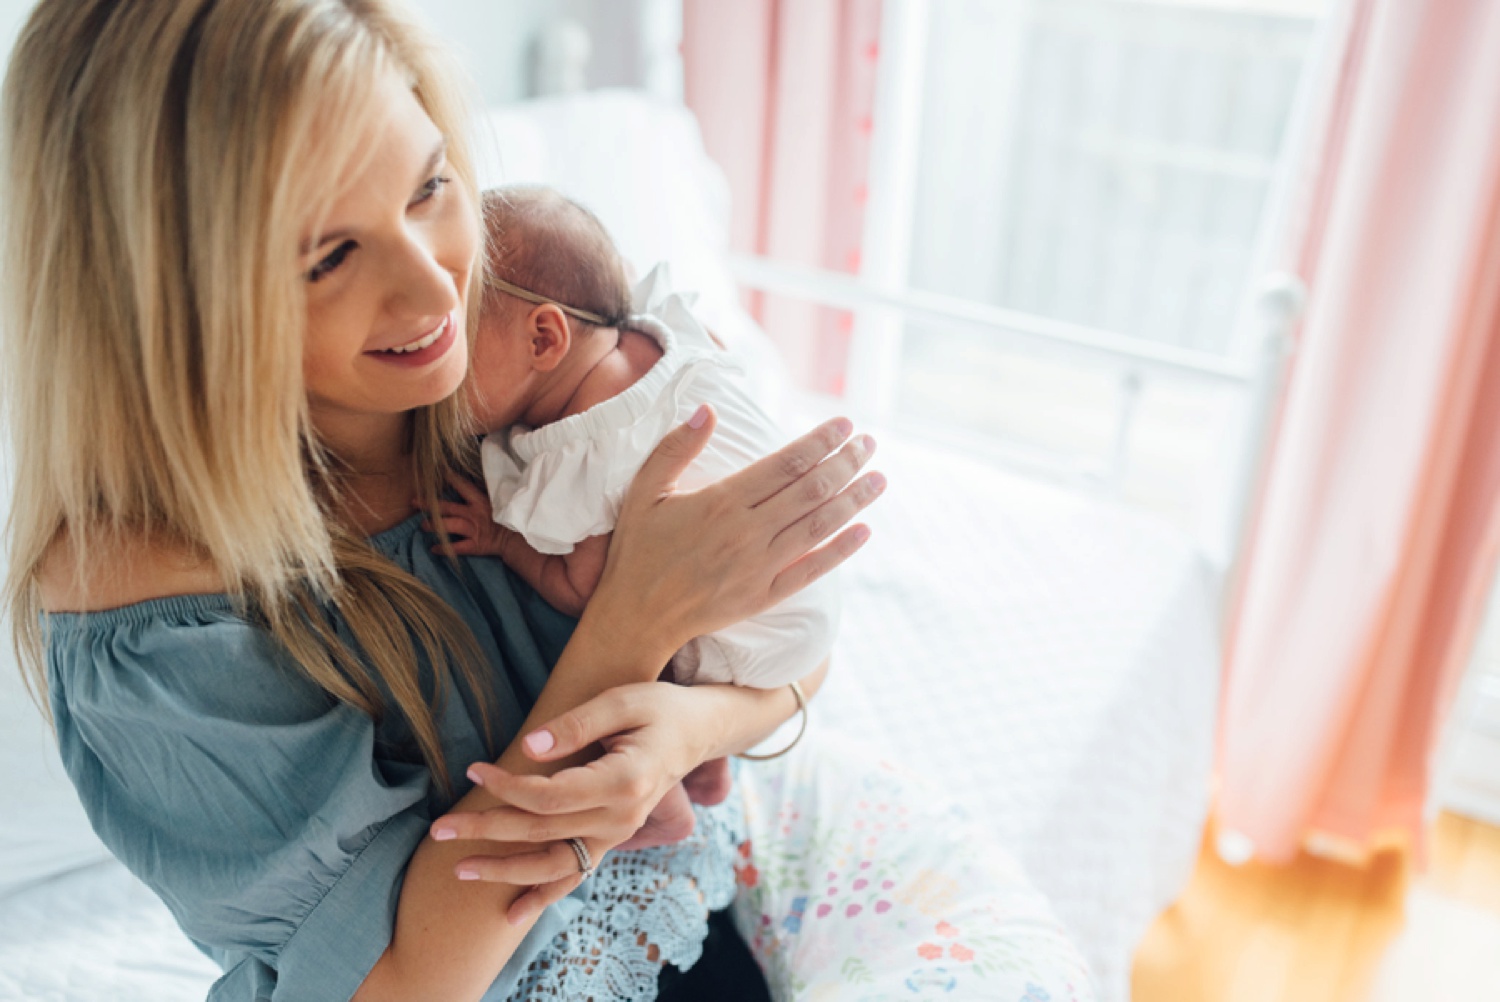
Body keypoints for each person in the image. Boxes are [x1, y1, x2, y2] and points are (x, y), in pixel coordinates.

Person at [0, 2, 883, 1000]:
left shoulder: (514, 358)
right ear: (168, 308)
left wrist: (695, 730)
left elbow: (788, 624)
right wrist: (630, 625)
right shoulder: (156, 605)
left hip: (670, 935)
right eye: (327, 257)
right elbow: (402, 983)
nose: (437, 293)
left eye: (429, 187)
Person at [422, 186, 843, 848]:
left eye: (458, 343)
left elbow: (587, 588)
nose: (441, 367)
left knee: (607, 652)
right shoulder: (661, 332)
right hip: (807, 587)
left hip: (760, 623)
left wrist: (505, 542)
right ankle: (710, 764)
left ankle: (664, 802)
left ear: (544, 336)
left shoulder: (590, 451)